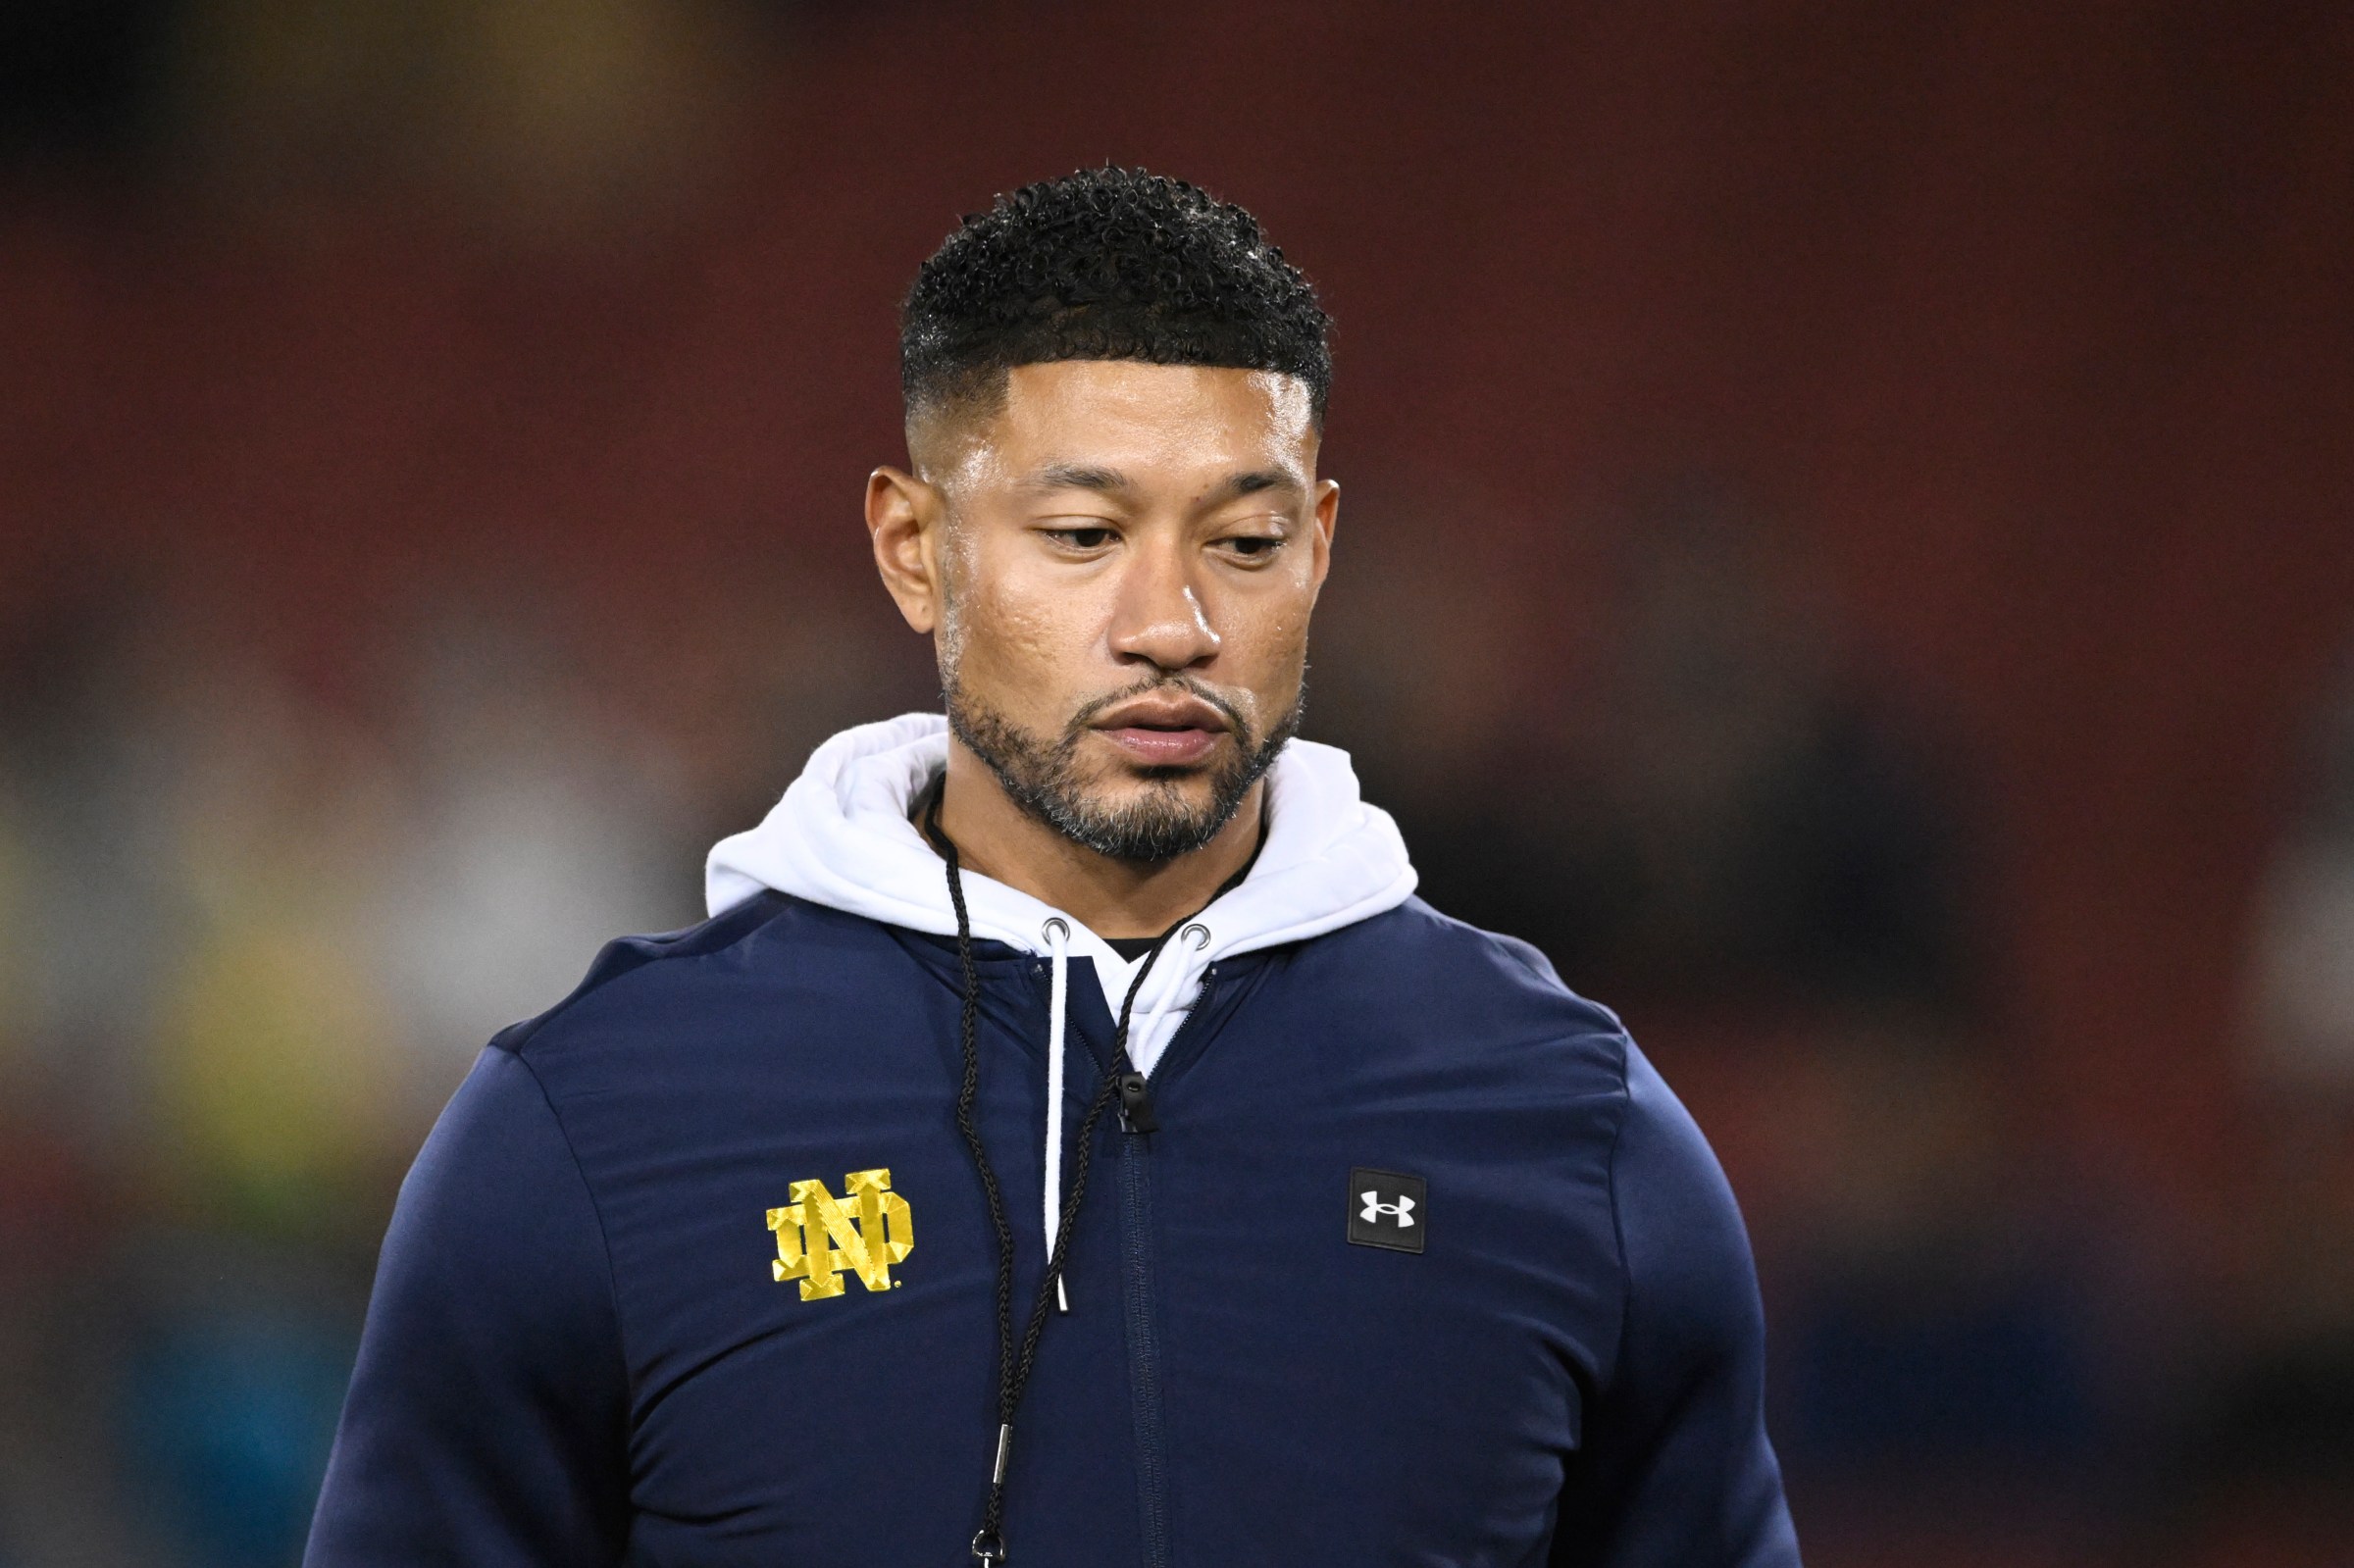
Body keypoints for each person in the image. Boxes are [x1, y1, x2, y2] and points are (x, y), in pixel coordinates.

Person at [304, 166, 1801, 1567]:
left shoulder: (1571, 1129)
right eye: (1084, 535)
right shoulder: (594, 1129)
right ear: (915, 549)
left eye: (1249, 540)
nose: (1172, 624)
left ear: (1323, 549)